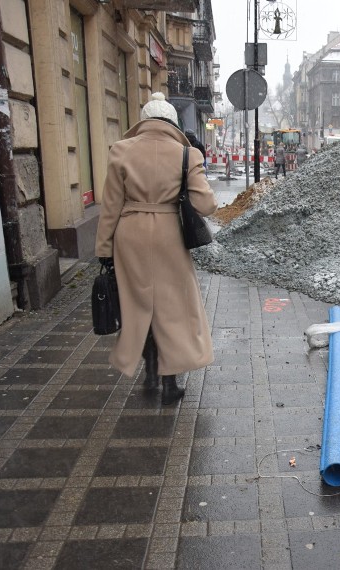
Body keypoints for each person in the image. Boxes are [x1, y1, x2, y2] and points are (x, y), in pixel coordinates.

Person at [95, 92, 217, 406]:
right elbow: (207, 204)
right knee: (171, 308)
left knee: (138, 306)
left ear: (144, 121)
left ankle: (148, 373)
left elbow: (110, 207)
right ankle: (169, 383)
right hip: (168, 237)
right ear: (172, 124)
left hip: (129, 235)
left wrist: (104, 250)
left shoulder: (121, 151)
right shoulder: (186, 155)